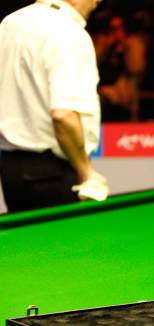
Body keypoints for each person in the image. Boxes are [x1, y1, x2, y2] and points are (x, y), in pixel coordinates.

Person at [0, 0, 108, 213]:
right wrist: (85, 171)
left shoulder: (9, 24)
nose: (97, 2)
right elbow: (63, 115)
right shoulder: (68, 32)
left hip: (9, 167)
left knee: (28, 243)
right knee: (71, 244)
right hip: (52, 171)